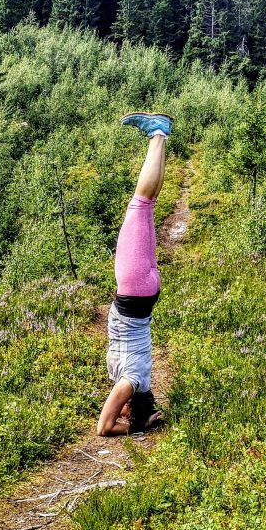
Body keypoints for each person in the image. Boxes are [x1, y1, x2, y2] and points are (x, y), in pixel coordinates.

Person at [96, 111, 172, 437]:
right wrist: (127, 428)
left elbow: (127, 410)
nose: (121, 405)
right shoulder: (133, 380)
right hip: (134, 290)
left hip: (142, 294)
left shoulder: (136, 381)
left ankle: (160, 136)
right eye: (127, 408)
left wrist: (142, 419)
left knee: (146, 205)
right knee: (140, 204)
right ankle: (158, 134)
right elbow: (103, 428)